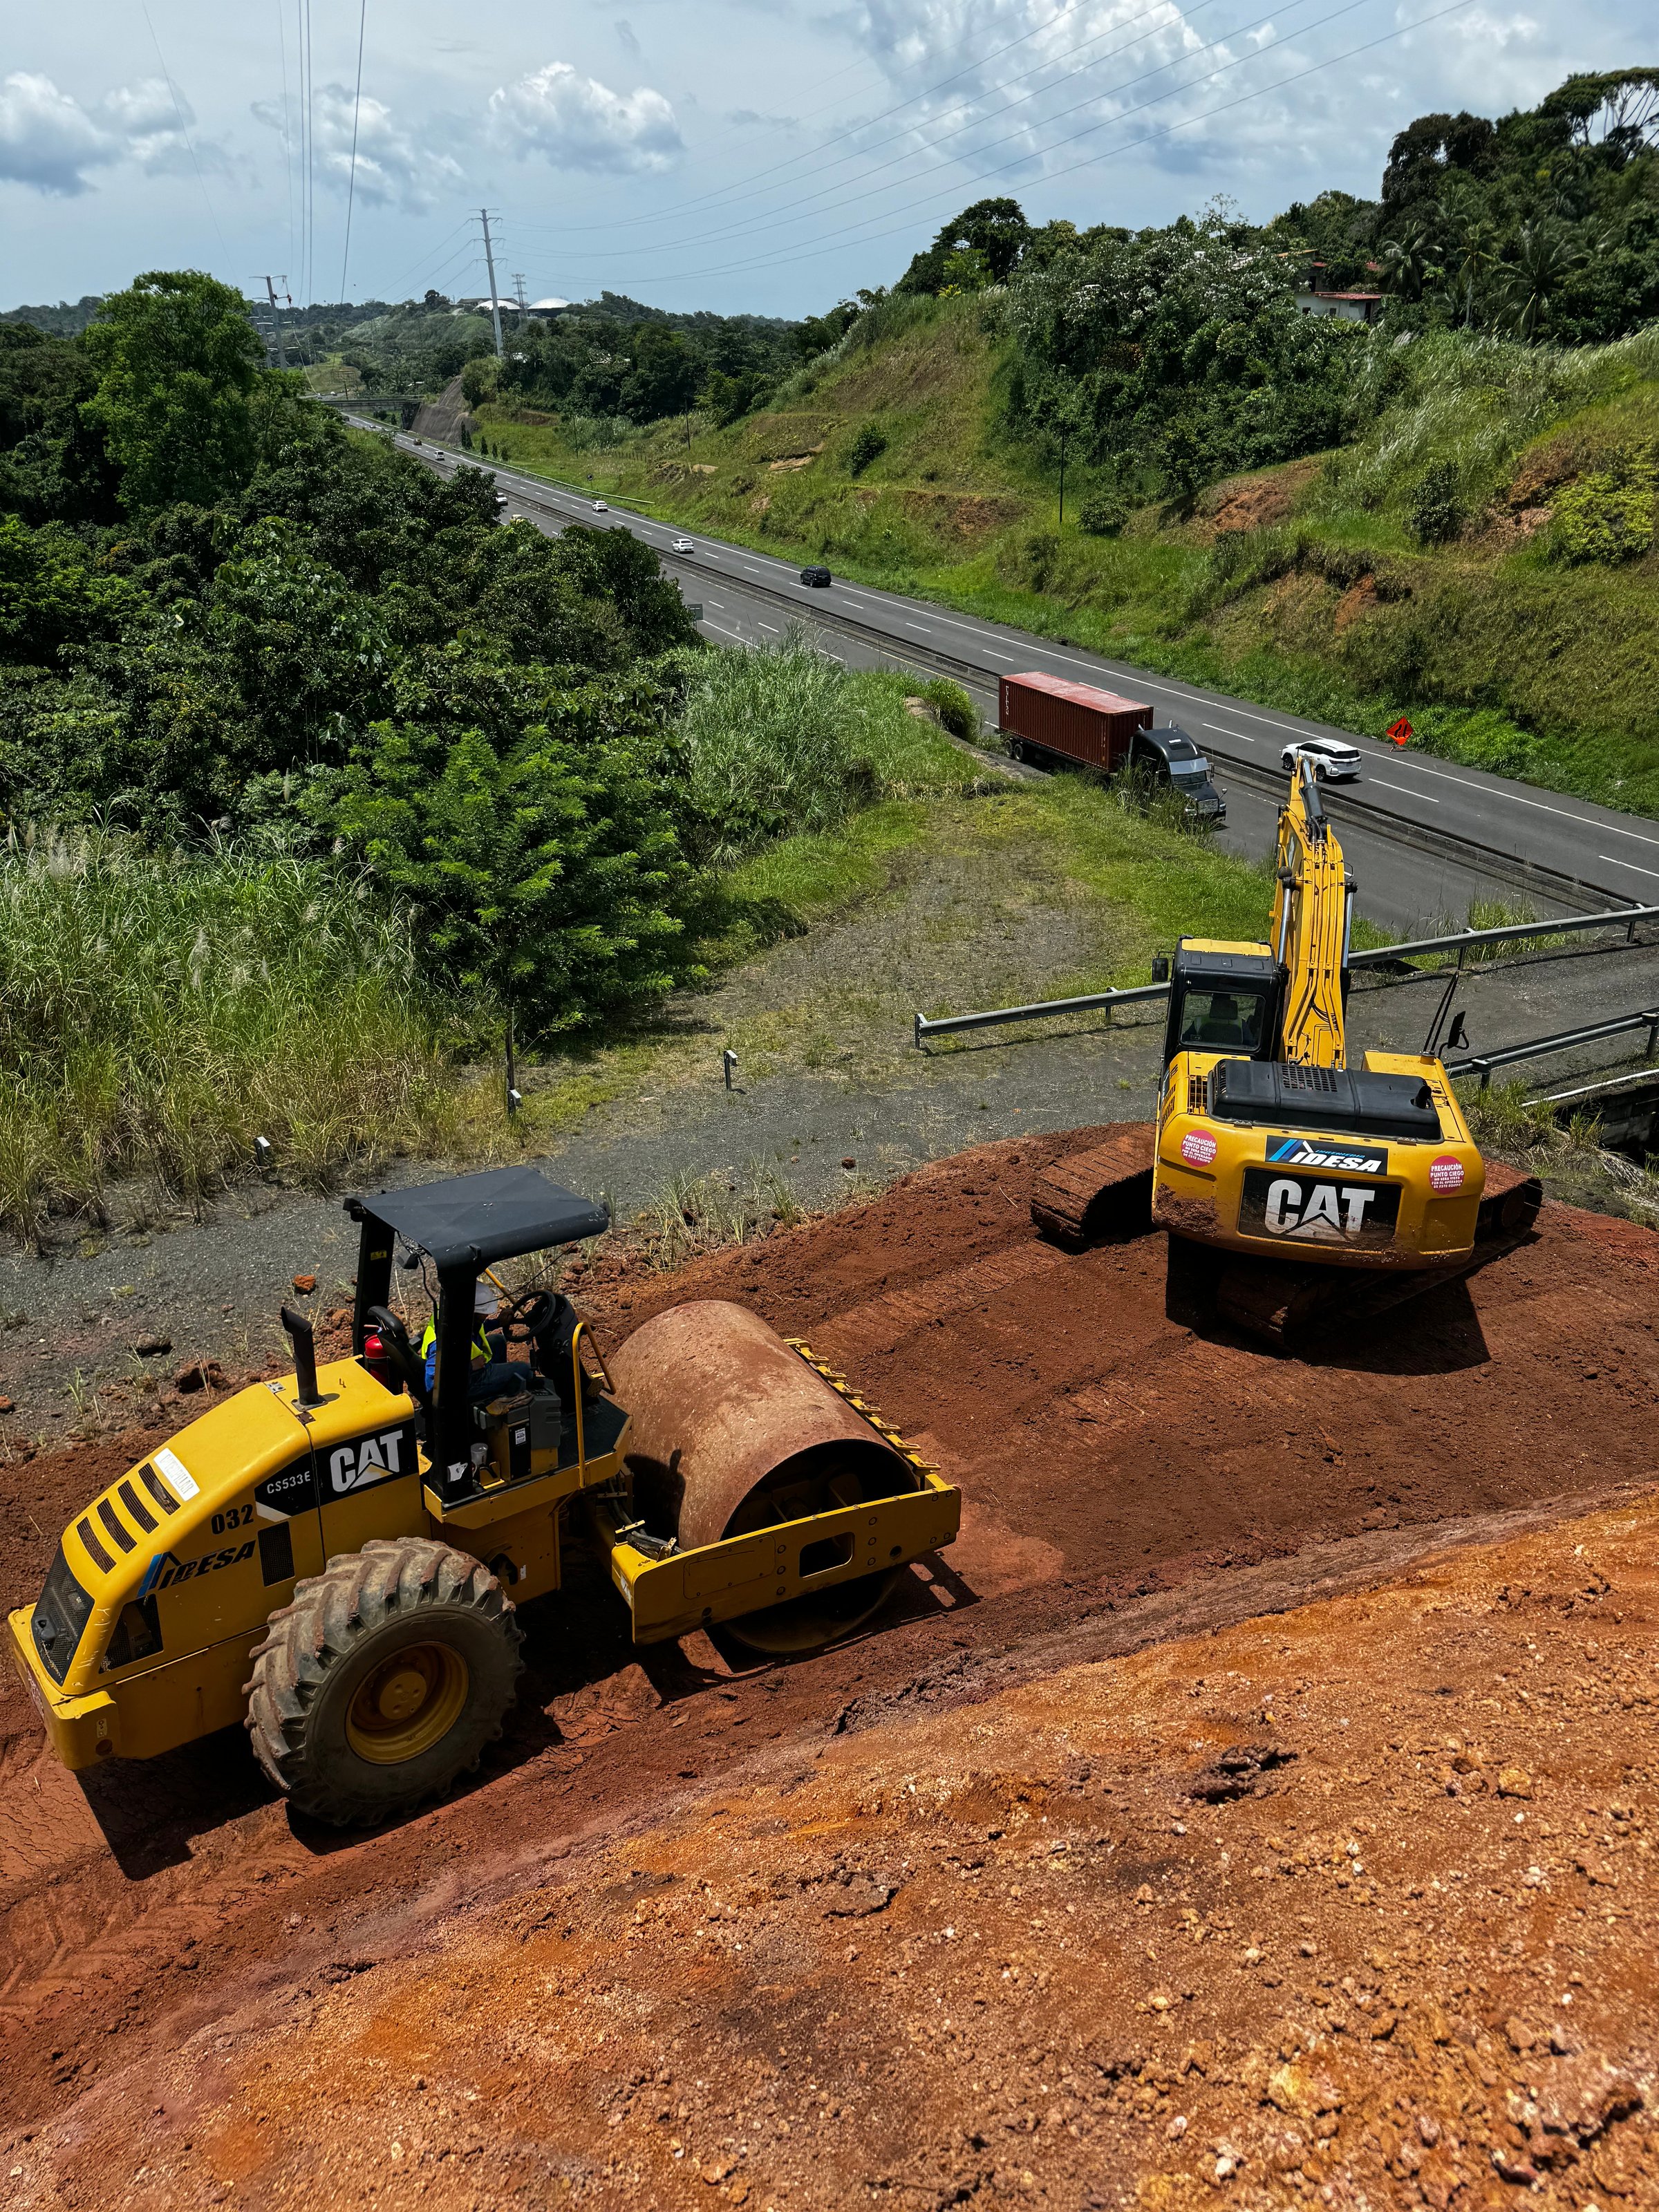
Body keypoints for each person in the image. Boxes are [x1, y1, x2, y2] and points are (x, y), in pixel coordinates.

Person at [420, 1280, 534, 1402]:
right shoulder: (440, 1342)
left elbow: (473, 1330)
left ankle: (497, 1391)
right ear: (471, 1312)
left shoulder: (454, 1314)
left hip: (467, 1367)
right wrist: (470, 1367)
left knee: (498, 1341)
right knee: (525, 1370)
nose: (486, 1316)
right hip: (463, 1385)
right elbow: (433, 1384)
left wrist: (498, 1322)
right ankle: (489, 1397)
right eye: (483, 1313)